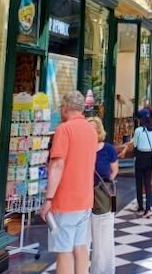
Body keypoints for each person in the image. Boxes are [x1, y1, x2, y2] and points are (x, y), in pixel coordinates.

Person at [40, 91, 97, 274]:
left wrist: (48, 199)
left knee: (63, 251)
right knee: (80, 247)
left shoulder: (64, 130)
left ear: (65, 107)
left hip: (66, 200)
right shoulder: (91, 129)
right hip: (86, 198)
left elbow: (57, 165)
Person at [88, 117, 118, 274]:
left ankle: (103, 270)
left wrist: (104, 186)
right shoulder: (83, 148)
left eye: (93, 128)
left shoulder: (108, 149)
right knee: (83, 241)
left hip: (102, 198)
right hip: (83, 198)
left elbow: (114, 170)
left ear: (99, 131)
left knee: (103, 240)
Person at [132, 109, 152, 218]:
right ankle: (148, 207)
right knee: (148, 183)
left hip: (140, 157)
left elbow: (135, 145)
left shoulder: (138, 130)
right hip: (149, 157)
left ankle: (140, 207)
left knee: (139, 182)